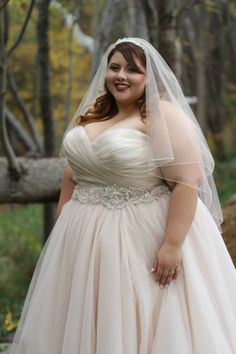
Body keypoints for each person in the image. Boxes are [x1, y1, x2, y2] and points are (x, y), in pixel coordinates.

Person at [9, 38, 236, 354]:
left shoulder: (162, 115)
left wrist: (171, 245)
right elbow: (73, 169)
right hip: (81, 240)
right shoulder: (94, 112)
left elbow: (187, 180)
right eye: (114, 67)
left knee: (131, 314)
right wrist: (66, 212)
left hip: (140, 234)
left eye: (133, 69)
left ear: (149, 76)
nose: (121, 75)